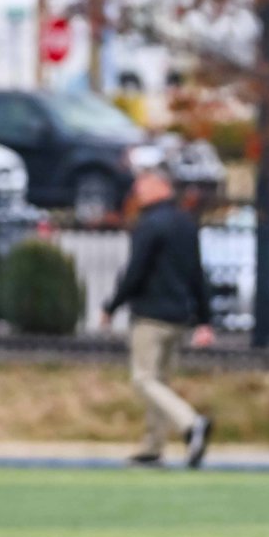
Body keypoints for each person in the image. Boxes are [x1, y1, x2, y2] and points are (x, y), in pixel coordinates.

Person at [101, 166, 214, 468]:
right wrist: (205, 319)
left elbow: (134, 272)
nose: (138, 189)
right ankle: (153, 446)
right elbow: (197, 274)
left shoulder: (150, 224)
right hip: (179, 318)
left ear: (161, 186)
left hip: (151, 317)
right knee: (160, 382)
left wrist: (111, 306)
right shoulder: (186, 223)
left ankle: (191, 423)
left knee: (144, 379)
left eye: (144, 182)